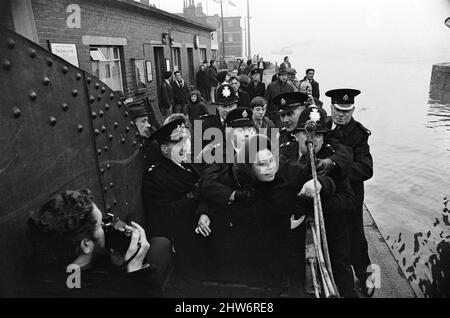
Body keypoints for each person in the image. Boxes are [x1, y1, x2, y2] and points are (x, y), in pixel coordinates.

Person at [198, 134, 337, 292]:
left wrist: (319, 183)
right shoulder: (236, 175)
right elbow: (212, 194)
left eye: (271, 160)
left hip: (286, 249)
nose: (270, 167)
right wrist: (205, 213)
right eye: (261, 164)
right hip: (251, 252)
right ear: (249, 166)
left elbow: (327, 181)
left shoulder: (287, 170)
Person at [25, 189, 162, 297]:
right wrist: (137, 271)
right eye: (100, 225)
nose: (106, 226)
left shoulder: (58, 268)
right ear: (85, 245)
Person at [292, 106, 357, 297]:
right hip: (294, 235)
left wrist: (316, 200)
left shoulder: (332, 162)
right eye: (307, 133)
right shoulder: (283, 157)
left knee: (342, 274)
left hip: (331, 233)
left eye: (319, 135)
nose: (312, 139)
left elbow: (349, 200)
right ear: (296, 135)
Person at [324, 88, 374, 296]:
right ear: (331, 107)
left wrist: (338, 169)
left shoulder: (358, 134)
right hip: (330, 194)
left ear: (352, 110)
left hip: (351, 196)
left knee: (358, 241)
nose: (340, 115)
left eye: (345, 111)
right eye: (337, 110)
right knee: (337, 243)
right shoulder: (323, 126)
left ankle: (371, 280)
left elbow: (367, 168)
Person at [142, 118, 204, 283]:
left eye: (187, 141)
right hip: (182, 235)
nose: (185, 146)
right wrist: (192, 196)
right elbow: (164, 213)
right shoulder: (156, 176)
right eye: (179, 143)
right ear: (164, 149)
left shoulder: (188, 166)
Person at [127, 100, 162, 167]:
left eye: (147, 120)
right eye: (143, 121)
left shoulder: (150, 143)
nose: (148, 125)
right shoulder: (126, 148)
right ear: (132, 124)